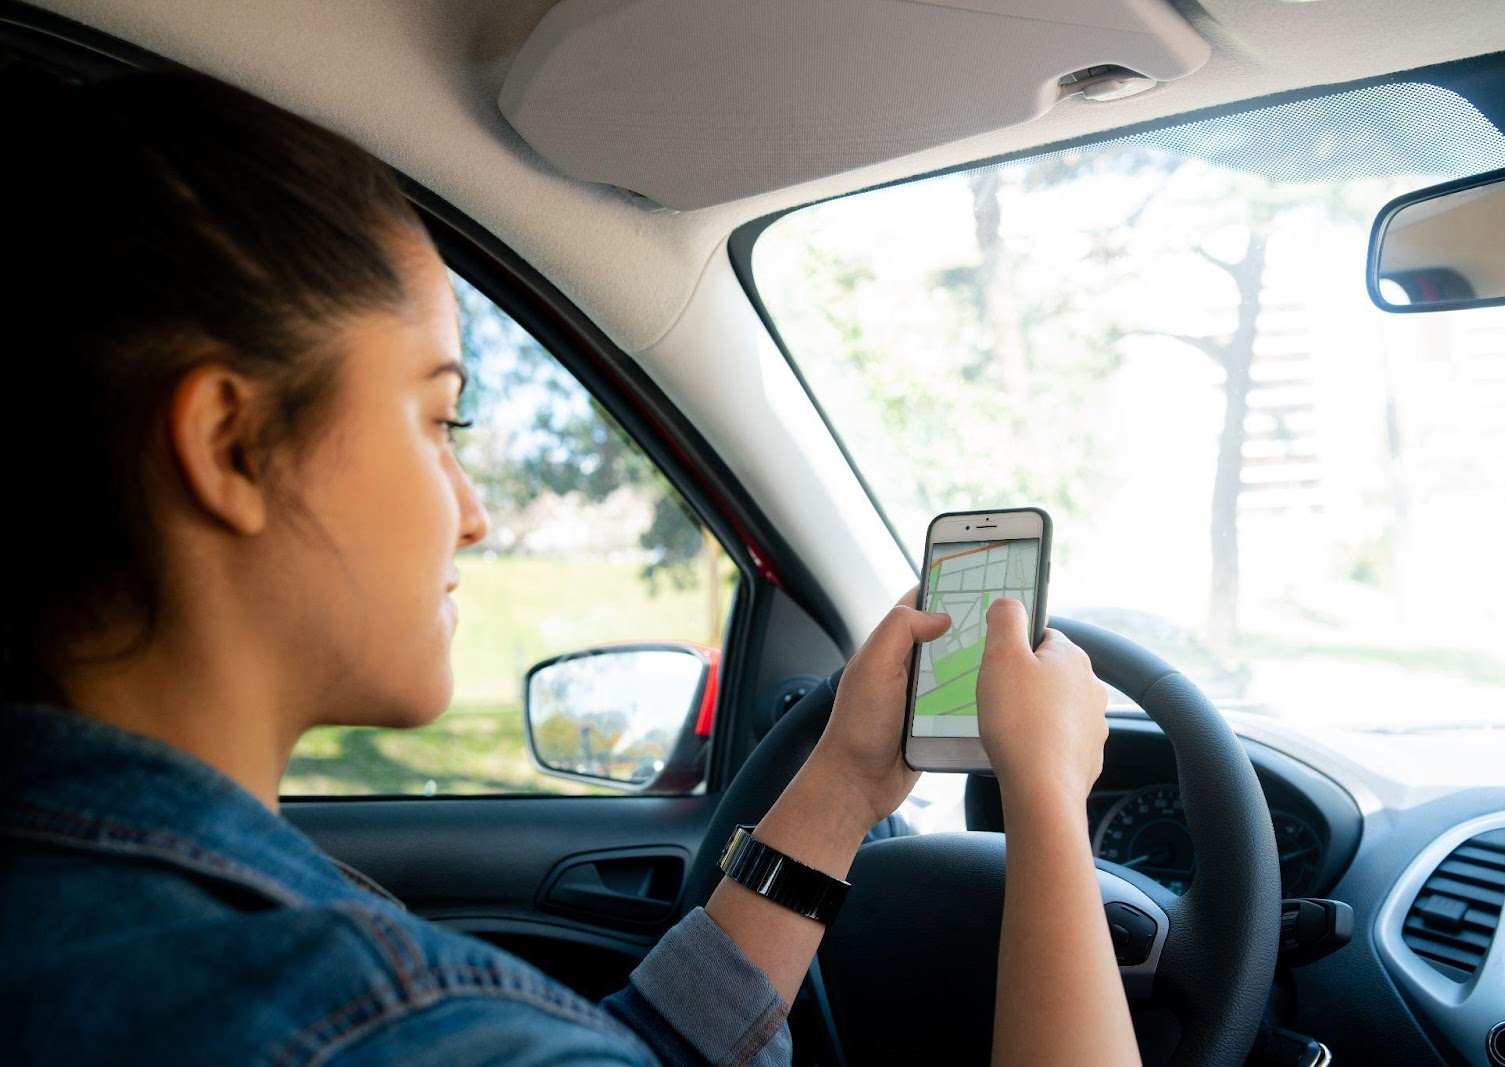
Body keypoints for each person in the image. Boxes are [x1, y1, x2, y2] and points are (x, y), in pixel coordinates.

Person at [0, 70, 1138, 1066]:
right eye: (440, 417)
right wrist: (1043, 802)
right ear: (229, 446)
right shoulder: (372, 1022)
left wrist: (845, 783)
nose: (474, 515)